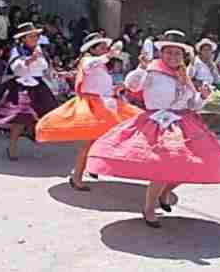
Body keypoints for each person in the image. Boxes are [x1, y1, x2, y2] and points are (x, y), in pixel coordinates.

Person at [85, 30, 220, 228]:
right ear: (161, 54)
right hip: (158, 123)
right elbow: (132, 85)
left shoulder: (184, 75)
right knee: (162, 168)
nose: (173, 57)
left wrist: (202, 96)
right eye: (168, 52)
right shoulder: (152, 71)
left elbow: (192, 105)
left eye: (177, 54)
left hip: (182, 122)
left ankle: (165, 192)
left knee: (195, 163)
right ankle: (149, 208)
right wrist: (141, 68)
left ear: (183, 56)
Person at [35, 33, 141, 191]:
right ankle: (77, 176)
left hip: (104, 105)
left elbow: (101, 86)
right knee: (90, 143)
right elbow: (89, 66)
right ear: (93, 49)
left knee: (101, 140)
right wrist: (110, 54)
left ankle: (89, 169)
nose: (105, 49)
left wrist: (116, 89)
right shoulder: (88, 61)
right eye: (102, 47)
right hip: (92, 107)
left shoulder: (101, 65)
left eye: (106, 47)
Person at [0, 23, 59, 160]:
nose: (34, 38)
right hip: (22, 86)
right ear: (23, 39)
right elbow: (17, 69)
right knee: (20, 117)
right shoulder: (17, 51)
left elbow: (43, 66)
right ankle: (13, 146)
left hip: (38, 85)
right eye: (31, 36)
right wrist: (30, 60)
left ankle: (32, 135)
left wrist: (45, 66)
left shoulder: (38, 49)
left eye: (35, 36)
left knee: (44, 113)